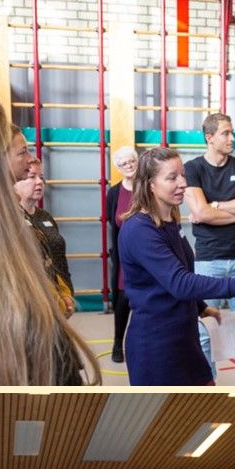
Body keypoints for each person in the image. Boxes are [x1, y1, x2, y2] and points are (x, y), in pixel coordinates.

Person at [0, 86, 100, 386]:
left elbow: (55, 264)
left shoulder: (37, 221)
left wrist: (63, 294)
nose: (31, 164)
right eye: (23, 152)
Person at [118, 146, 235, 385]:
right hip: (157, 346)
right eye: (172, 178)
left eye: (182, 175)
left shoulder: (170, 222)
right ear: (150, 184)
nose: (183, 183)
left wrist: (202, 308)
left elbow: (173, 276)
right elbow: (179, 282)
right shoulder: (139, 229)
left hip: (183, 338)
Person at [183, 113, 235, 386]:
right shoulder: (193, 168)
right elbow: (199, 212)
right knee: (204, 329)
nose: (232, 138)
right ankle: (209, 385)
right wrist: (227, 208)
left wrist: (214, 206)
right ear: (209, 138)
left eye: (232, 133)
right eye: (226, 133)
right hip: (208, 261)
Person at [18, 157, 76, 316]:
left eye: (41, 177)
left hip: (60, 299)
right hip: (33, 304)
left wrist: (67, 294)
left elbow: (60, 260)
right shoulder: (11, 219)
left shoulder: (45, 217)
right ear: (15, 181)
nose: (39, 182)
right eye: (32, 177)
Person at [106, 145, 139, 362]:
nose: (128, 166)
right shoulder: (114, 192)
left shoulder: (149, 186)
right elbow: (112, 221)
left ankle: (138, 344)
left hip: (146, 252)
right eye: (123, 163)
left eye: (131, 161)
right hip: (124, 254)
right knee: (123, 299)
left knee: (145, 299)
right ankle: (118, 344)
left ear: (138, 162)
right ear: (118, 167)